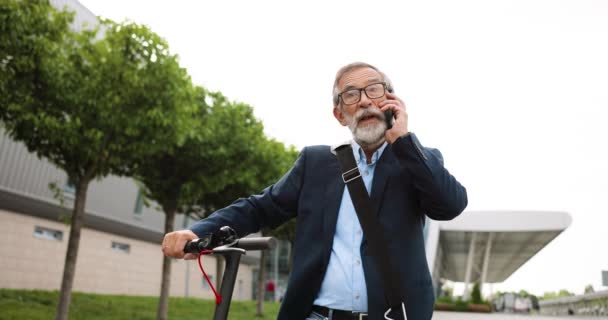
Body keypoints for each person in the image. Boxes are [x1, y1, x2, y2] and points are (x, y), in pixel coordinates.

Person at [161, 62, 468, 320]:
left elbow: (450, 205)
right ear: (340, 115)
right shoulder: (316, 163)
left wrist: (404, 142)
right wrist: (197, 231)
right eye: (350, 95)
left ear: (391, 100)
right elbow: (260, 208)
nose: (364, 101)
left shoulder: (418, 160)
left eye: (373, 89)